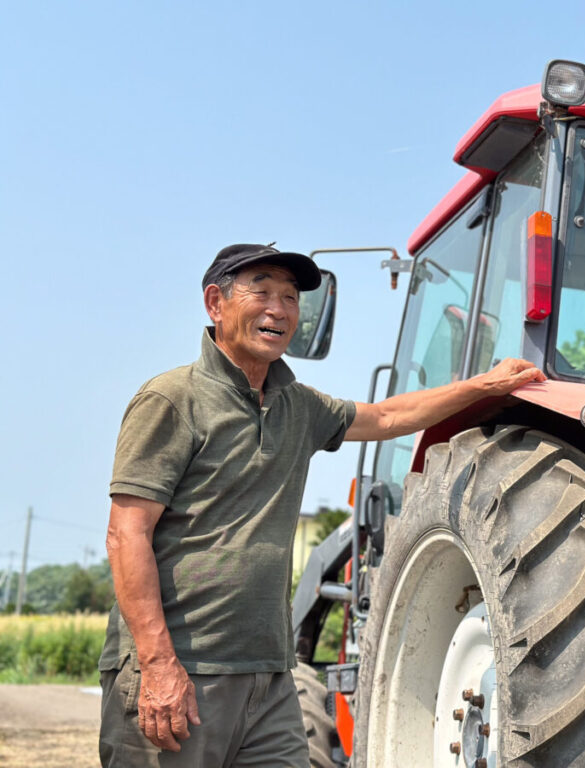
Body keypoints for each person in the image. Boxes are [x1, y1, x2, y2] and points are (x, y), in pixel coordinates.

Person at [99, 243, 545, 767]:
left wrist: (483, 386)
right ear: (215, 304)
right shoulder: (172, 400)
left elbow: (384, 418)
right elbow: (126, 534)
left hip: (268, 680)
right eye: (261, 291)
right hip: (183, 668)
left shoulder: (299, 405)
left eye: (290, 298)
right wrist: (156, 665)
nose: (280, 309)